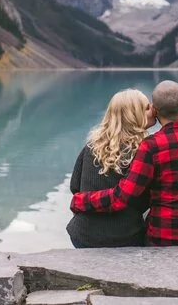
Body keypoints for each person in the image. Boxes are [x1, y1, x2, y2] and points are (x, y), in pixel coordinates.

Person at [70, 80, 178, 247]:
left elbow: (120, 196)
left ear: (155, 111)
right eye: (145, 107)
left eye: (150, 107)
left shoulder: (149, 147)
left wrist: (80, 201)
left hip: (163, 238)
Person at [66, 88, 156, 248]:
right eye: (147, 107)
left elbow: (75, 186)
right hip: (125, 237)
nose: (153, 110)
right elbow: (146, 198)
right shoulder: (144, 150)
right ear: (133, 114)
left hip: (83, 235)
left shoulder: (92, 145)